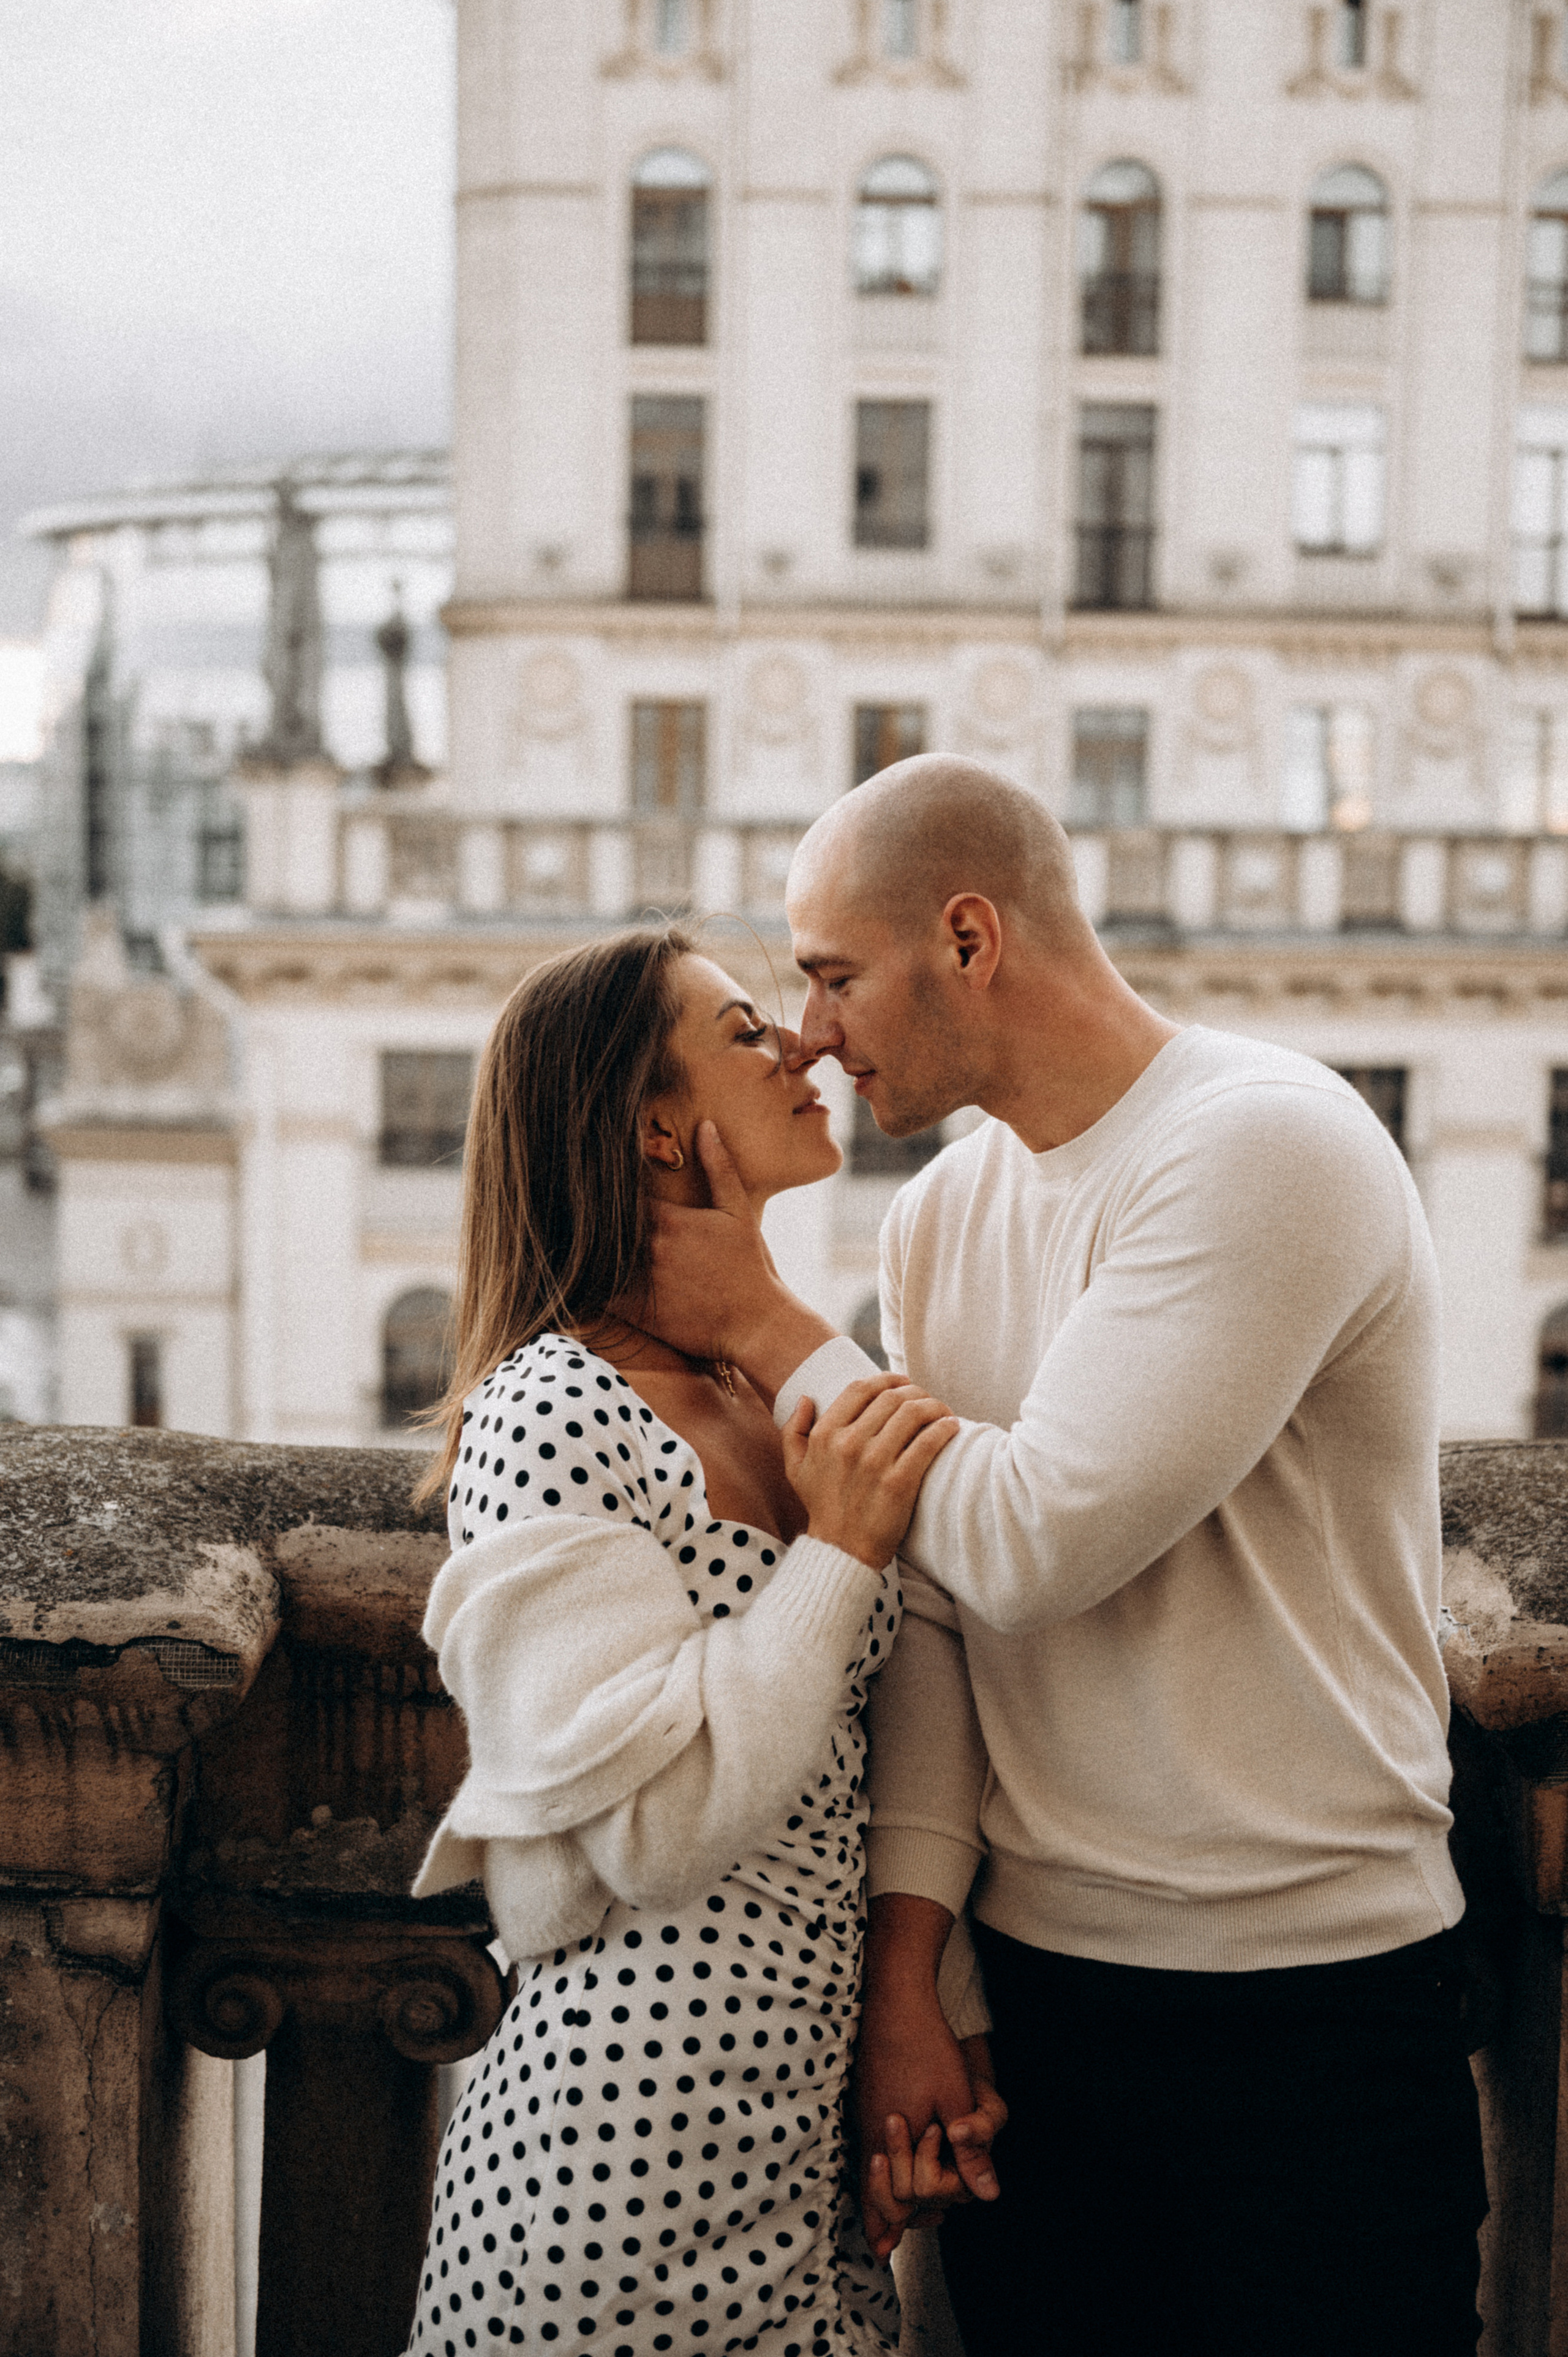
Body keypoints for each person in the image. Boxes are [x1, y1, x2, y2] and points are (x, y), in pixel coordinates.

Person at [644, 756, 1491, 2356]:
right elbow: (937, 1612)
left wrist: (761, 1320)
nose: (810, 1031)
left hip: (1316, 2007)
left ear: (968, 938)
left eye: (833, 975)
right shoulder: (937, 1217)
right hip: (1036, 2010)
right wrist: (913, 1981)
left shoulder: (1264, 1143)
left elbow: (1032, 1540)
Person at [402, 926, 1001, 2357]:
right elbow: (653, 1832)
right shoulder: (550, 1404)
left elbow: (874, 1744)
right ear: (653, 1129)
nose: (799, 1043)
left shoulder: (769, 1387)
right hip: (607, 2189)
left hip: (801, 2177)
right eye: (742, 1030)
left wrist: (927, 2015)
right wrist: (837, 1553)